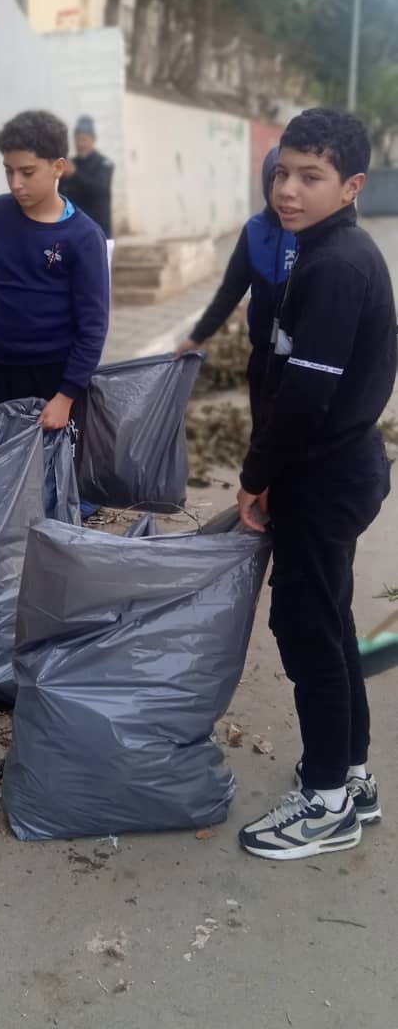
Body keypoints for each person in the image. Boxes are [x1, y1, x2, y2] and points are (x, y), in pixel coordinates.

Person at [236, 108, 396, 861]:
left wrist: (255, 479)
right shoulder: (323, 250)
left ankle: (326, 801)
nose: (288, 191)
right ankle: (352, 778)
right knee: (329, 623)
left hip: (321, 476)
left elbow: (302, 400)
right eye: (282, 172)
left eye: (310, 177)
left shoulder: (337, 266)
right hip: (333, 469)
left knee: (307, 632)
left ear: (352, 185)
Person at [0, 110, 109, 430]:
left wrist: (66, 396)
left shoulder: (85, 238)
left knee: (48, 476)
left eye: (27, 172)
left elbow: (93, 325)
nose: (15, 184)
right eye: (8, 172)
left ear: (58, 167)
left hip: (53, 380)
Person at [175, 148, 298, 429]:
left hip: (299, 359)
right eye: (275, 179)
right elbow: (230, 291)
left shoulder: (309, 232)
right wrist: (197, 336)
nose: (283, 190)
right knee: (262, 429)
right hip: (262, 354)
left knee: (295, 436)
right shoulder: (254, 230)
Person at [58, 115, 114, 238]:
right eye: (77, 139)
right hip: (74, 231)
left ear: (93, 140)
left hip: (98, 231)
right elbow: (61, 196)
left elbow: (100, 189)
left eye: (84, 139)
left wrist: (75, 175)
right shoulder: (71, 164)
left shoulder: (104, 164)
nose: (80, 144)